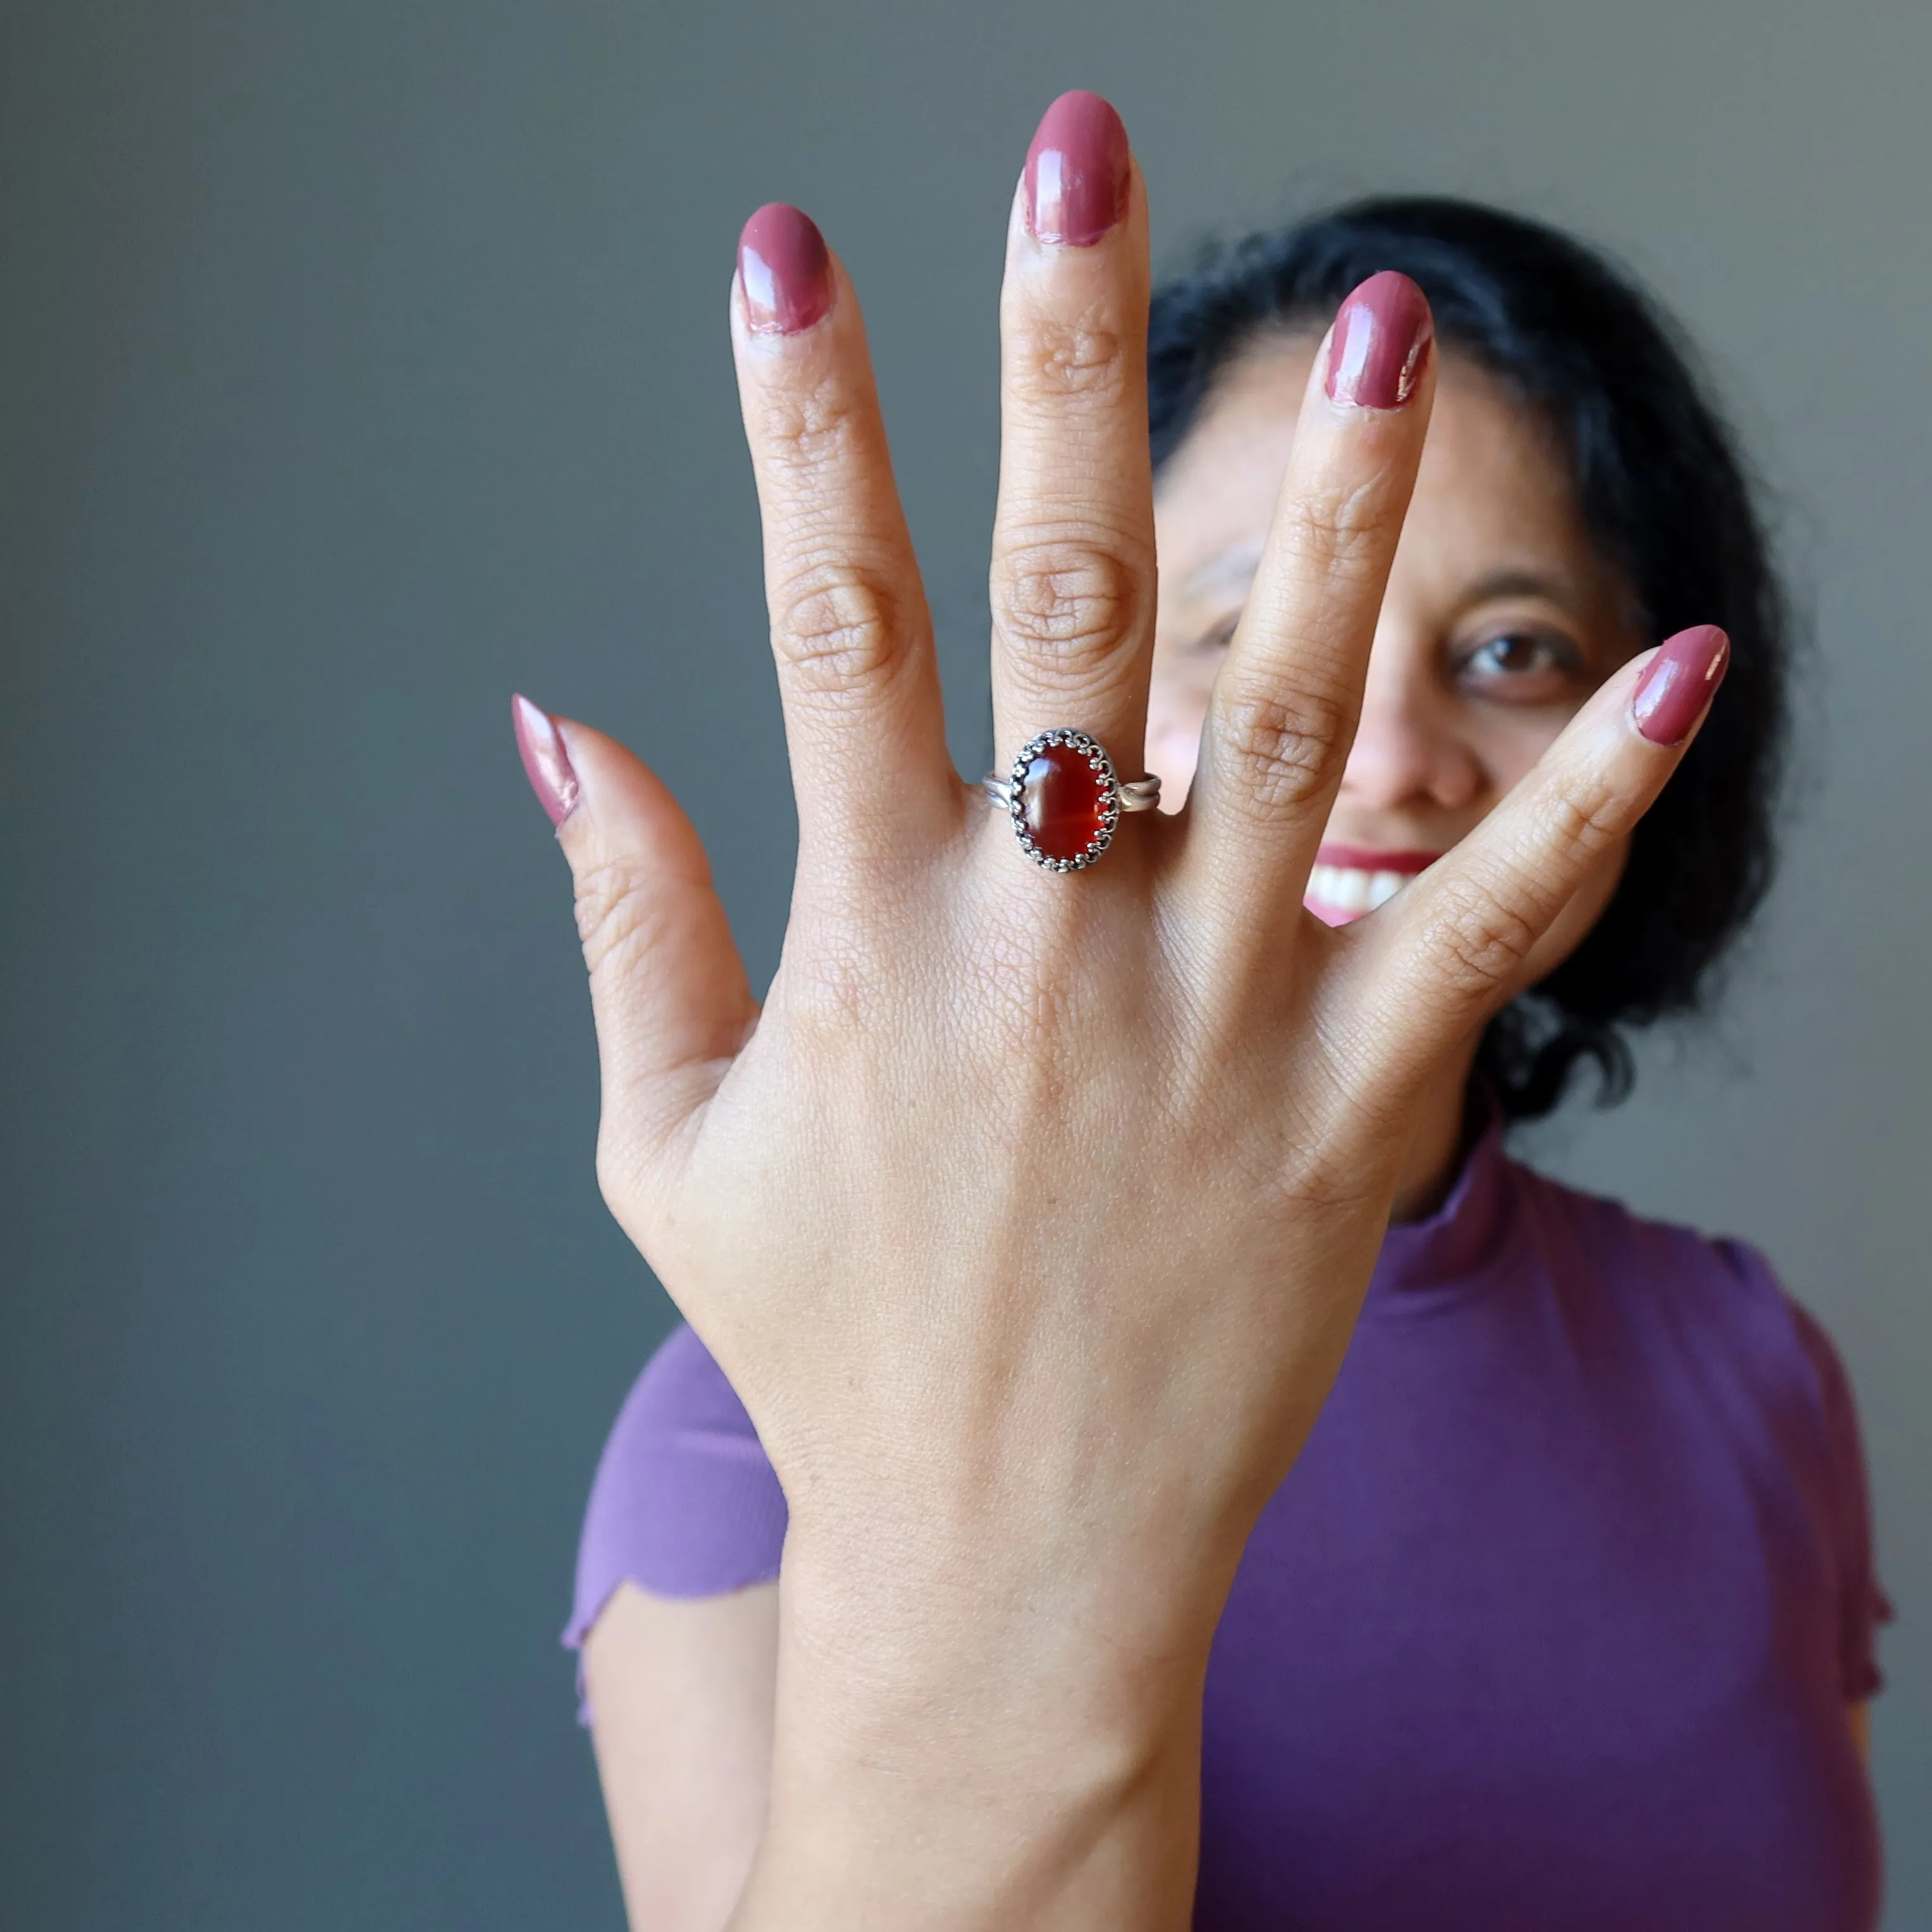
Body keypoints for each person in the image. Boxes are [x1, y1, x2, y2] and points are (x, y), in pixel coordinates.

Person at [515, 91, 1885, 1932]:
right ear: (1070, 703)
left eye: (1509, 651)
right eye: (1250, 638)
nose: (1373, 752)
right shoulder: (753, 1430)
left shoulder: (1754, 1375)